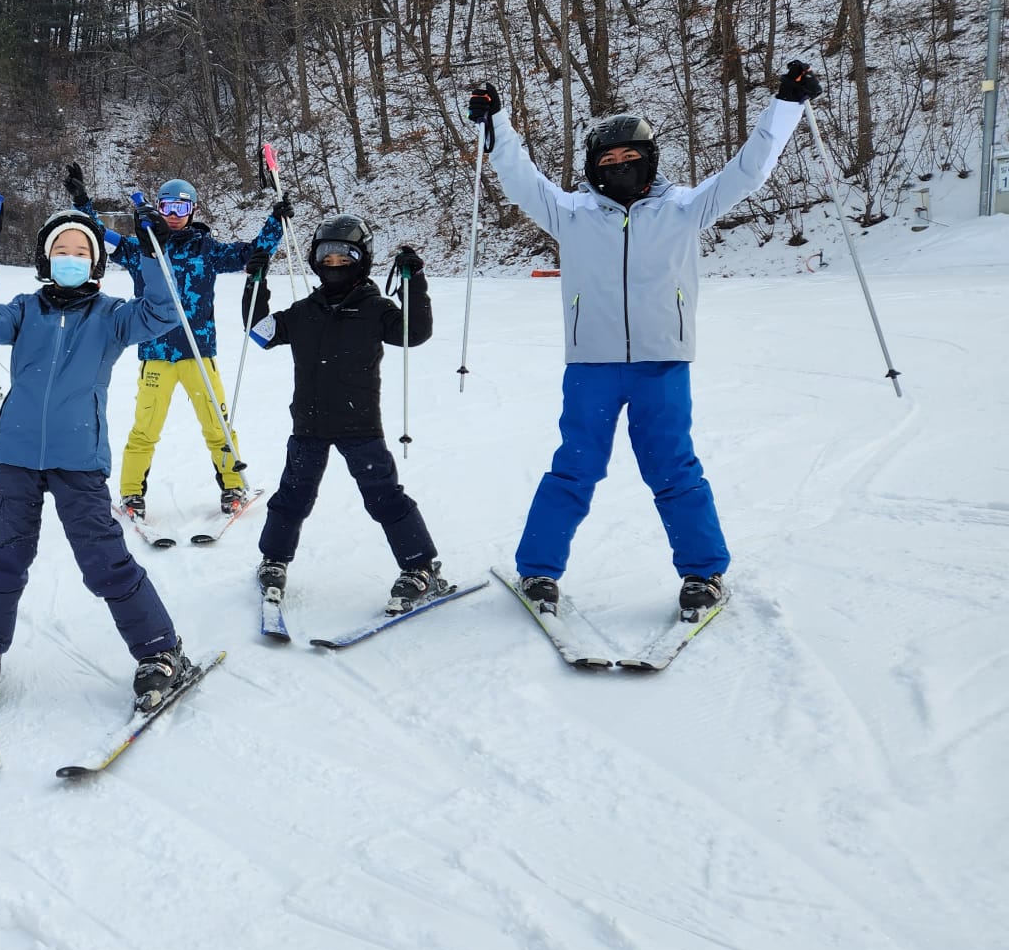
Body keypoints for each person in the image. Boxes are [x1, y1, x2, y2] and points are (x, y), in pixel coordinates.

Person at [467, 61, 821, 614]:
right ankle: (538, 572)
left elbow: (748, 171)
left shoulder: (684, 209)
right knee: (575, 467)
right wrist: (497, 123)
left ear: (649, 160)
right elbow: (519, 177)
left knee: (672, 467)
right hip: (592, 366)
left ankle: (702, 574)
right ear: (592, 167)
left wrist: (787, 106)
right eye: (607, 161)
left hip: (662, 363)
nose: (619, 166)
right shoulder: (572, 213)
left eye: (629, 157)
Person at [0, 206, 202, 710]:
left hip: (79, 459)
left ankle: (160, 652)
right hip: (16, 454)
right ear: (46, 259)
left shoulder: (111, 317)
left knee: (103, 560)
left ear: (95, 263)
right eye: (60, 251)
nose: (70, 259)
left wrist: (151, 254)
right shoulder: (24, 310)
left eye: (81, 252)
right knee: (7, 556)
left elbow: (164, 311)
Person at [248, 216, 446, 613]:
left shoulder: (376, 310)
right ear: (315, 260)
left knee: (383, 497)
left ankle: (419, 567)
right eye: (327, 255)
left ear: (362, 259)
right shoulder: (304, 312)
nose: (335, 263)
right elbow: (259, 331)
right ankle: (274, 559)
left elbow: (415, 332)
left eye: (345, 256)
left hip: (360, 425)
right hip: (309, 425)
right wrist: (256, 285)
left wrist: (415, 282)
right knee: (293, 496)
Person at [74, 172, 286, 520]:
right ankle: (131, 494)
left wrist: (275, 221)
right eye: (167, 206)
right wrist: (82, 204)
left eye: (181, 206)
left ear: (193, 209)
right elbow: (97, 235)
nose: (173, 213)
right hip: (156, 354)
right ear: (157, 208)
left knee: (217, 426)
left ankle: (233, 484)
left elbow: (253, 253)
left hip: (198, 353)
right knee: (145, 429)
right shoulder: (138, 248)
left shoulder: (207, 250)